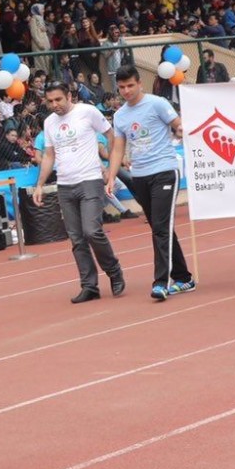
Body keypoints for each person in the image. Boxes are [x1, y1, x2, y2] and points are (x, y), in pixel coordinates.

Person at [103, 65, 196, 301]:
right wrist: (111, 176)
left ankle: (161, 282)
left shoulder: (157, 104)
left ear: (139, 83)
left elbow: (178, 124)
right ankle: (184, 278)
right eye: (121, 87)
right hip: (140, 176)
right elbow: (118, 148)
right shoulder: (120, 115)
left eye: (130, 86)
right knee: (160, 227)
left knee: (161, 228)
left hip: (164, 171)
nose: (126, 91)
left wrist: (180, 129)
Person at [31, 79, 126, 304]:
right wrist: (40, 185)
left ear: (69, 96)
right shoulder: (49, 123)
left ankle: (113, 270)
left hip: (90, 180)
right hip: (65, 185)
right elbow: (49, 156)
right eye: (50, 101)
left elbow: (111, 135)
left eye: (58, 99)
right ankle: (89, 286)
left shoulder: (87, 112)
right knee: (76, 238)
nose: (54, 105)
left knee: (92, 231)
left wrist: (110, 167)